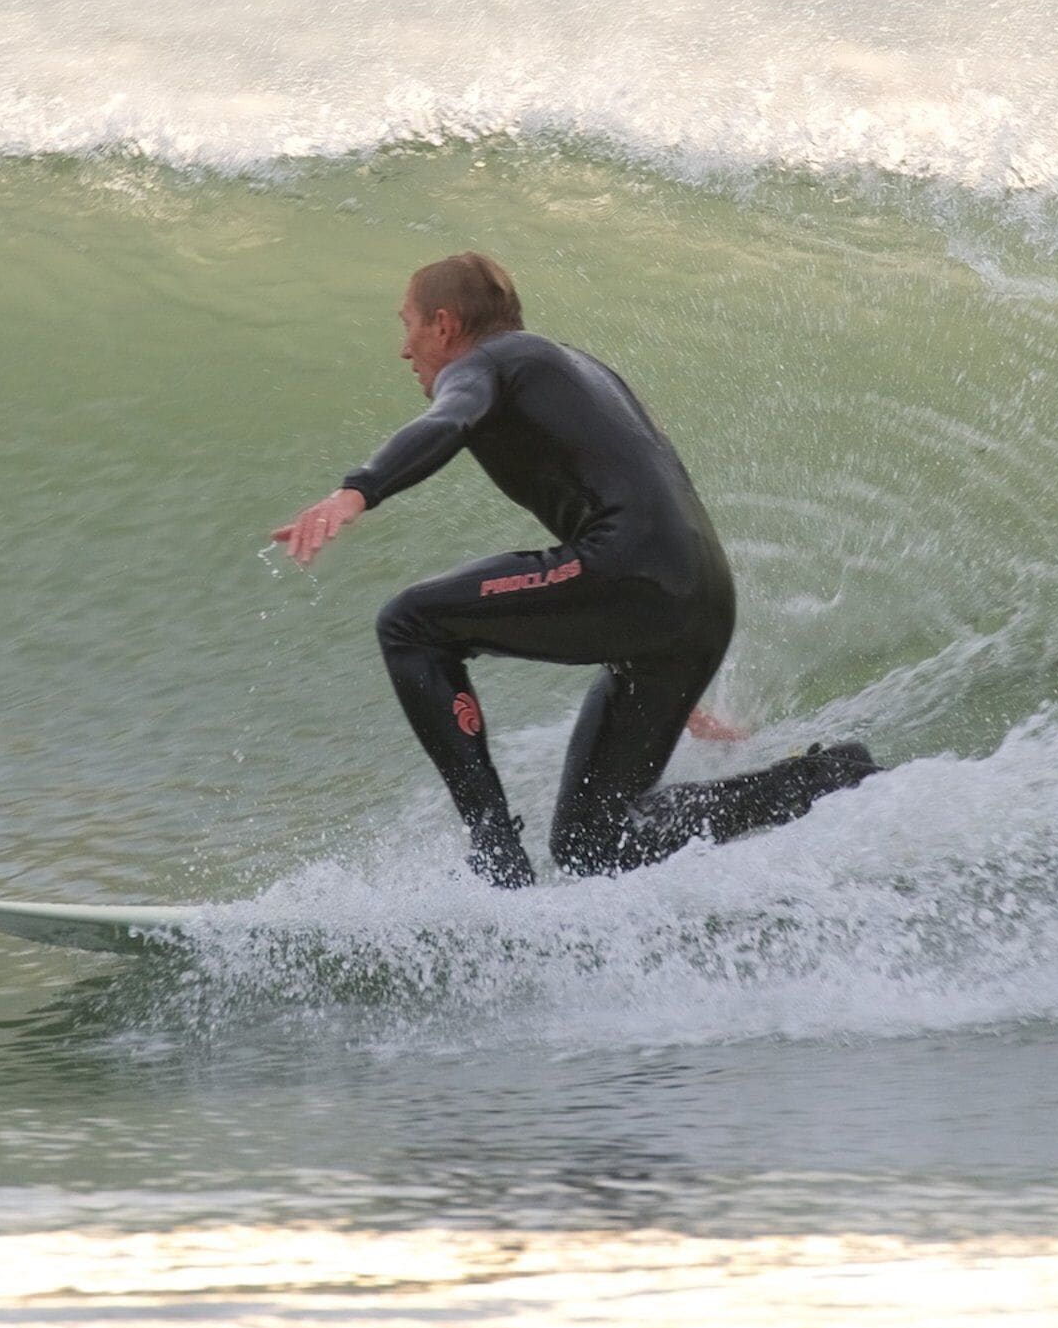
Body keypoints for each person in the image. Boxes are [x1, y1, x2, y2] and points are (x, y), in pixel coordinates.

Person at [273, 252, 877, 887]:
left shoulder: (485, 364)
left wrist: (356, 491)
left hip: (634, 572)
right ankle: (819, 780)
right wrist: (666, 646)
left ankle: (494, 853)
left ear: (445, 325)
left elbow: (448, 422)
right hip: (694, 597)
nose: (404, 349)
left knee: (409, 624)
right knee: (596, 843)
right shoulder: (581, 370)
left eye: (410, 325)